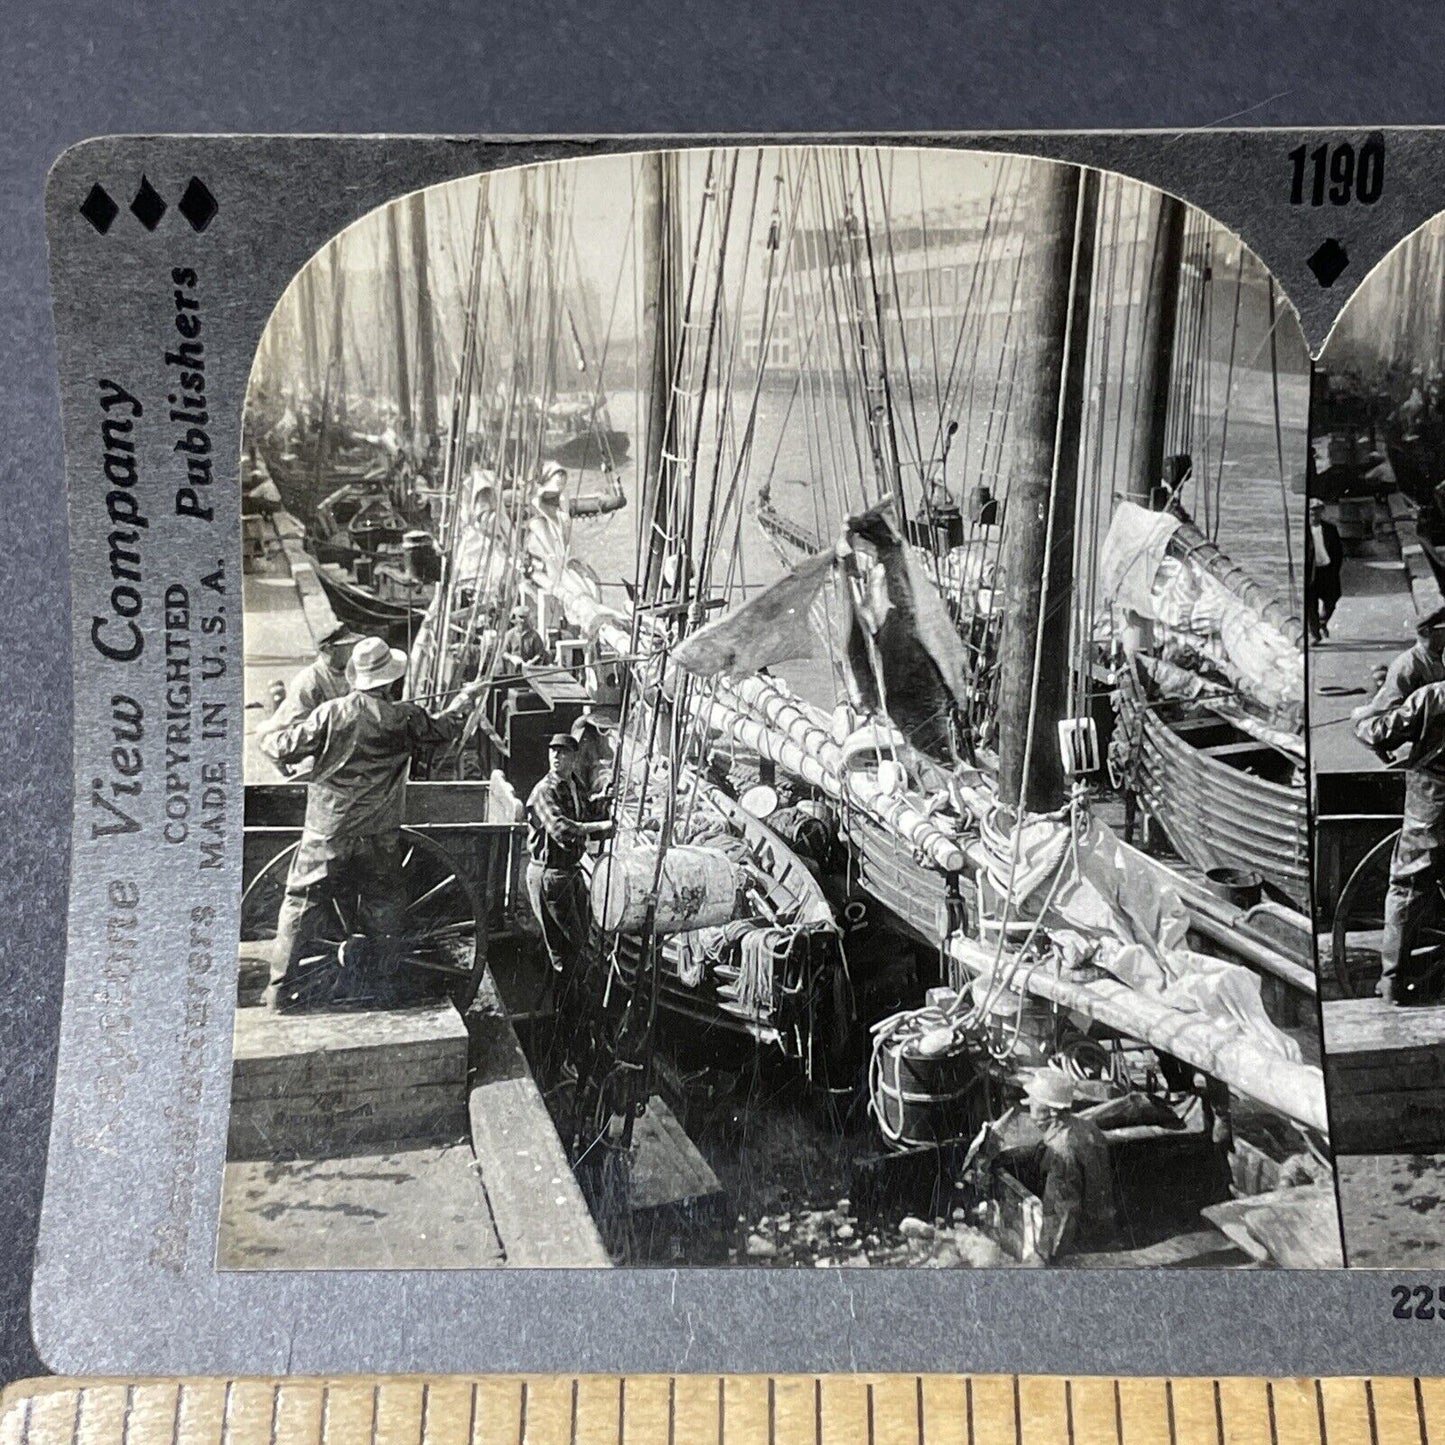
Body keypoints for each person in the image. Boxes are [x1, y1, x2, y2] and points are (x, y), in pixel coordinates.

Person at [259, 635, 487, 1011]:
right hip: (378, 834)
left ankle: (279, 991)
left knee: (300, 904)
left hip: (328, 831)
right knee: (385, 907)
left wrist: (268, 733)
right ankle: (382, 988)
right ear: (392, 681)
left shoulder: (331, 713)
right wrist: (467, 697)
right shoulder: (406, 718)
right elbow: (445, 728)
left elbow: (282, 745)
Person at [1354, 676, 1445, 1004]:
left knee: (1407, 886)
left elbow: (1380, 732)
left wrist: (1361, 720)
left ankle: (1392, 981)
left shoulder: (1434, 697)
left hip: (1432, 805)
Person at [990, 1068, 1119, 1264]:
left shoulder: (1060, 1151)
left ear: (1051, 1110)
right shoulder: (1087, 1129)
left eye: (1035, 1099)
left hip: (1081, 1245)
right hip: (1103, 1226)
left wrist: (1044, 1257)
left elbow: (1062, 1214)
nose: (1029, 1102)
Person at [525, 734, 612, 983]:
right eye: (553, 751)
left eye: (563, 753)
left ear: (573, 758)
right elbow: (562, 829)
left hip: (569, 871)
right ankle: (565, 1010)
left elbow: (584, 810)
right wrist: (600, 827)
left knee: (581, 940)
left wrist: (604, 802)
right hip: (549, 874)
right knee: (566, 951)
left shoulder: (573, 784)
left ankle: (572, 1000)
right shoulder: (544, 790)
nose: (556, 757)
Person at [257, 625, 361, 754]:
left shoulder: (356, 669)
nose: (353, 649)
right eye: (348, 645)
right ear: (330, 649)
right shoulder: (308, 681)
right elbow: (296, 728)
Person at [1305, 499, 1345, 642]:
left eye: (1317, 511)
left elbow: (1338, 552)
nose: (1314, 515)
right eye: (1311, 512)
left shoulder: (1330, 529)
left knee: (1333, 599)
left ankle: (1323, 622)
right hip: (1311, 573)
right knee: (1310, 606)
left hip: (1327, 571)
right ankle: (1315, 634)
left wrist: (1334, 570)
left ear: (1322, 512)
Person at [502, 604, 548, 669]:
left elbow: (540, 653)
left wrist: (531, 662)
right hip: (513, 671)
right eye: (520, 617)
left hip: (529, 671)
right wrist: (512, 658)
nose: (523, 620)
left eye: (525, 618)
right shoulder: (510, 634)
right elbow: (504, 652)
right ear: (516, 618)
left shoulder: (534, 635)